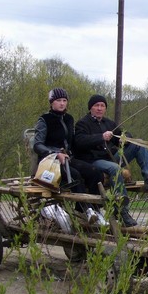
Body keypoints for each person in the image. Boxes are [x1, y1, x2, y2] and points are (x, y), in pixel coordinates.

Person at [74, 94, 148, 227]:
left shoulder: (109, 123)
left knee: (138, 143)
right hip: (93, 160)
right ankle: (121, 210)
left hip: (110, 157)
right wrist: (101, 137)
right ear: (91, 108)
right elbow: (79, 142)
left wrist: (123, 138)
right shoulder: (82, 124)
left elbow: (123, 133)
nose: (100, 108)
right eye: (96, 106)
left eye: (102, 106)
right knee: (115, 169)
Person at [33, 88, 105, 226]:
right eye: (58, 100)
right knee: (75, 175)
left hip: (68, 158)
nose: (61, 103)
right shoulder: (44, 120)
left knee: (95, 172)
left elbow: (73, 143)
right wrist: (54, 153)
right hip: (50, 162)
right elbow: (37, 145)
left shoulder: (69, 119)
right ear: (51, 103)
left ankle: (92, 209)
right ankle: (87, 210)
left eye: (64, 100)